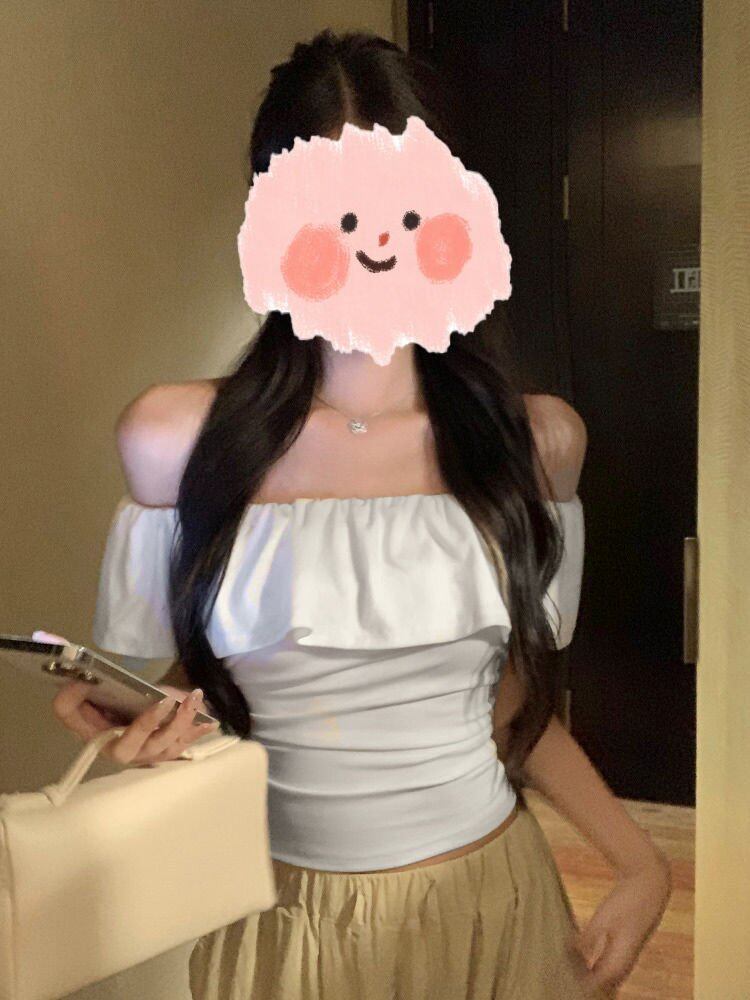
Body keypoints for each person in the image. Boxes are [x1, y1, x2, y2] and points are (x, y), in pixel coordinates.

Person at [49, 28, 671, 1000]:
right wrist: (142, 715)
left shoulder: (534, 442)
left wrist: (640, 860)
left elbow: (508, 702)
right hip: (285, 917)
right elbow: (196, 689)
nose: (375, 240)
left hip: (491, 902)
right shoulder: (176, 441)